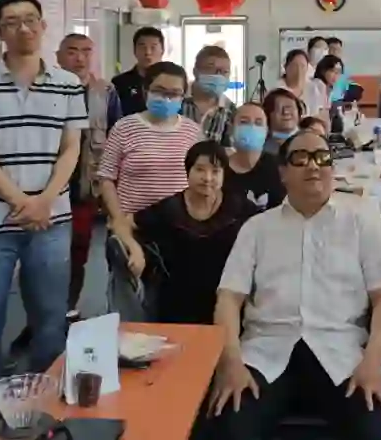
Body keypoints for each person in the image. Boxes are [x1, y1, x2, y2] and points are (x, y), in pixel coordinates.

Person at [0, 0, 87, 440]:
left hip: (51, 221)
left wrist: (44, 201)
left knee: (50, 322)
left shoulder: (67, 82)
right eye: (12, 22)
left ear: (43, 26)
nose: (23, 28)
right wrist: (21, 202)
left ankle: (42, 413)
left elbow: (71, 148)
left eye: (31, 20)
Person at [210, 129, 381, 440]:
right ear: (283, 173)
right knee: (230, 427)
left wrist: (374, 362)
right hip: (266, 352)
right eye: (301, 158)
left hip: (341, 354)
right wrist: (231, 362)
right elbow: (229, 298)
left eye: (322, 158)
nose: (313, 165)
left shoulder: (360, 225)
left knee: (375, 431)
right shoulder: (257, 228)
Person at [11, 31, 120, 353]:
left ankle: (65, 314)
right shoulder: (40, 89)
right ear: (58, 56)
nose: (80, 57)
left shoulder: (105, 93)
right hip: (41, 189)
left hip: (84, 188)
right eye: (72, 51)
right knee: (38, 259)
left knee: (77, 255)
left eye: (86, 50)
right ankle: (36, 322)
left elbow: (117, 139)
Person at [130, 141, 259, 324]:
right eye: (200, 170)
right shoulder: (169, 208)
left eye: (215, 171)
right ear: (188, 171)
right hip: (175, 304)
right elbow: (122, 223)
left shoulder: (240, 208)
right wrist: (134, 249)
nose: (207, 178)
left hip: (226, 303)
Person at [97, 61, 203, 268]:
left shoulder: (193, 131)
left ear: (183, 96)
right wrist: (118, 220)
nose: (167, 98)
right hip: (132, 227)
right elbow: (106, 178)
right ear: (146, 91)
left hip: (180, 229)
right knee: (131, 285)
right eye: (160, 91)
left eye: (174, 93)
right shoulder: (124, 128)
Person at [226, 103, 286, 211]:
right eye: (244, 122)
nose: (252, 127)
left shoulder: (279, 168)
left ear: (266, 131)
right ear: (231, 128)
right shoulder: (219, 169)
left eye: (258, 123)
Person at [181, 44, 237, 145]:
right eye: (211, 69)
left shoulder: (229, 110)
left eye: (225, 72)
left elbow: (228, 148)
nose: (218, 75)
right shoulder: (177, 99)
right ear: (195, 72)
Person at [112, 26, 166, 119]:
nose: (148, 52)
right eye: (142, 47)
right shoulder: (120, 82)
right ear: (134, 50)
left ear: (162, 50)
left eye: (153, 47)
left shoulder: (171, 82)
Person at [278, 49, 321, 121]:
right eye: (294, 66)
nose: (299, 70)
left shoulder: (312, 88)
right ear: (286, 67)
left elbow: (316, 115)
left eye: (302, 66)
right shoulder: (277, 89)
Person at [261, 88, 303, 157]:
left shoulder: (311, 140)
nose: (286, 112)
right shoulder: (260, 148)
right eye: (279, 109)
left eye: (290, 107)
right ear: (267, 114)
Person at [310, 54, 345, 126]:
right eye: (332, 71)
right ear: (323, 70)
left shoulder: (333, 90)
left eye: (338, 72)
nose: (336, 75)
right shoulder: (315, 86)